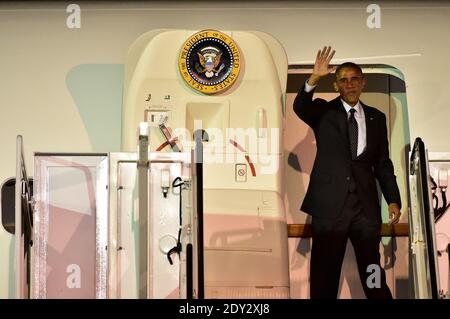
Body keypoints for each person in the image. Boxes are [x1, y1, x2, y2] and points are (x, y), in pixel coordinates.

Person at [293, 46, 401, 299]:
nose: (350, 84)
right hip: (330, 209)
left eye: (354, 79)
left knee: (372, 270)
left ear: (362, 82)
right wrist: (314, 78)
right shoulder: (323, 111)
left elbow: (383, 164)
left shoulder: (377, 117)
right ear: (336, 86)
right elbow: (300, 107)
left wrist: (393, 199)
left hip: (365, 209)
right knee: (324, 275)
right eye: (343, 80)